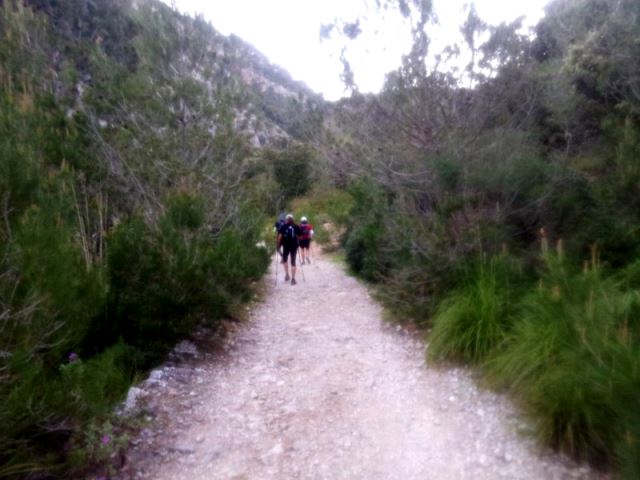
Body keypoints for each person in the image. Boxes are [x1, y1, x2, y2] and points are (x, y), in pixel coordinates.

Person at [277, 214, 302, 285]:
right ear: (293, 219)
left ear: (286, 219)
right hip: (294, 246)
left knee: (285, 260)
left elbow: (279, 237)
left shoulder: (283, 226)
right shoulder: (296, 226)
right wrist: (297, 239)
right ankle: (293, 279)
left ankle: (287, 274)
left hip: (286, 246)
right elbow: (300, 237)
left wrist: (278, 245)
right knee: (293, 262)